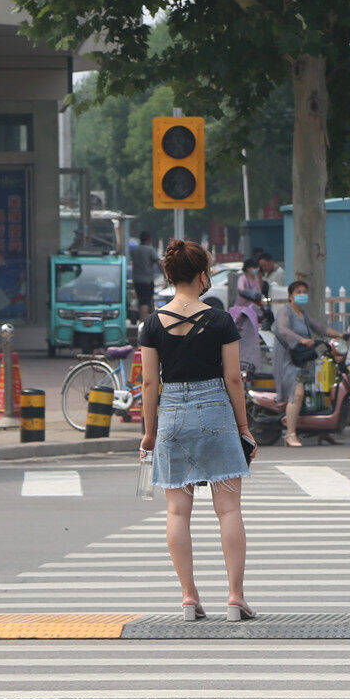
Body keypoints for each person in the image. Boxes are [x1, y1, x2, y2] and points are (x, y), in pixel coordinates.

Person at [138, 239, 255, 623]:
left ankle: (189, 597)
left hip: (171, 414)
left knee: (177, 512)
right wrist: (243, 427)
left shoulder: (152, 324)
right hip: (216, 412)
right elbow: (234, 378)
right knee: (229, 509)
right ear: (203, 274)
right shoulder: (221, 320)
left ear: (170, 274)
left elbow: (149, 385)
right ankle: (235, 597)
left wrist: (149, 431)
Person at [271, 279, 340, 446]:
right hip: (287, 359)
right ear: (290, 296)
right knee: (298, 393)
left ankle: (323, 432)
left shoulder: (303, 315)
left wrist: (340, 335)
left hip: (302, 359)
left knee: (317, 393)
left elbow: (321, 328)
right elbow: (282, 330)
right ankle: (290, 434)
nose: (302, 295)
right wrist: (301, 340)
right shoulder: (285, 312)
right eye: (298, 292)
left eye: (304, 292)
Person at [127, 231, 159, 319]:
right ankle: (145, 323)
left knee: (141, 302)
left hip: (137, 281)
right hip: (147, 281)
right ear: (148, 240)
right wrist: (165, 275)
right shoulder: (150, 250)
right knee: (146, 303)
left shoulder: (134, 251)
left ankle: (143, 322)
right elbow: (159, 262)